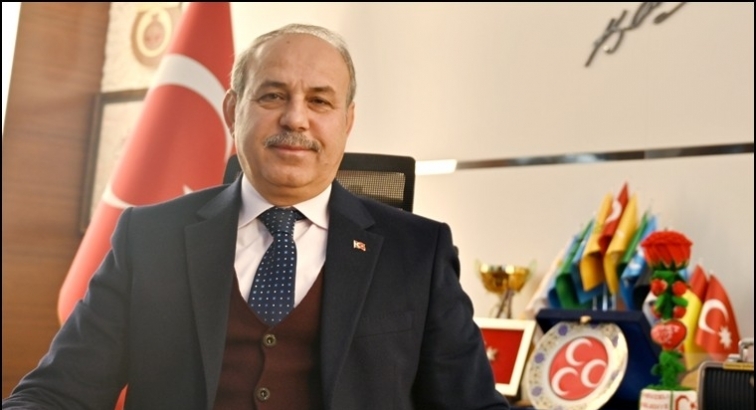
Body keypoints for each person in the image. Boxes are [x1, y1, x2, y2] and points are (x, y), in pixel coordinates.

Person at [3, 24, 509, 410]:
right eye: (273, 95)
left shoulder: (416, 253)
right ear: (232, 110)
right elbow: (56, 394)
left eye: (319, 101)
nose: (295, 118)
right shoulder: (150, 238)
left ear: (347, 121)